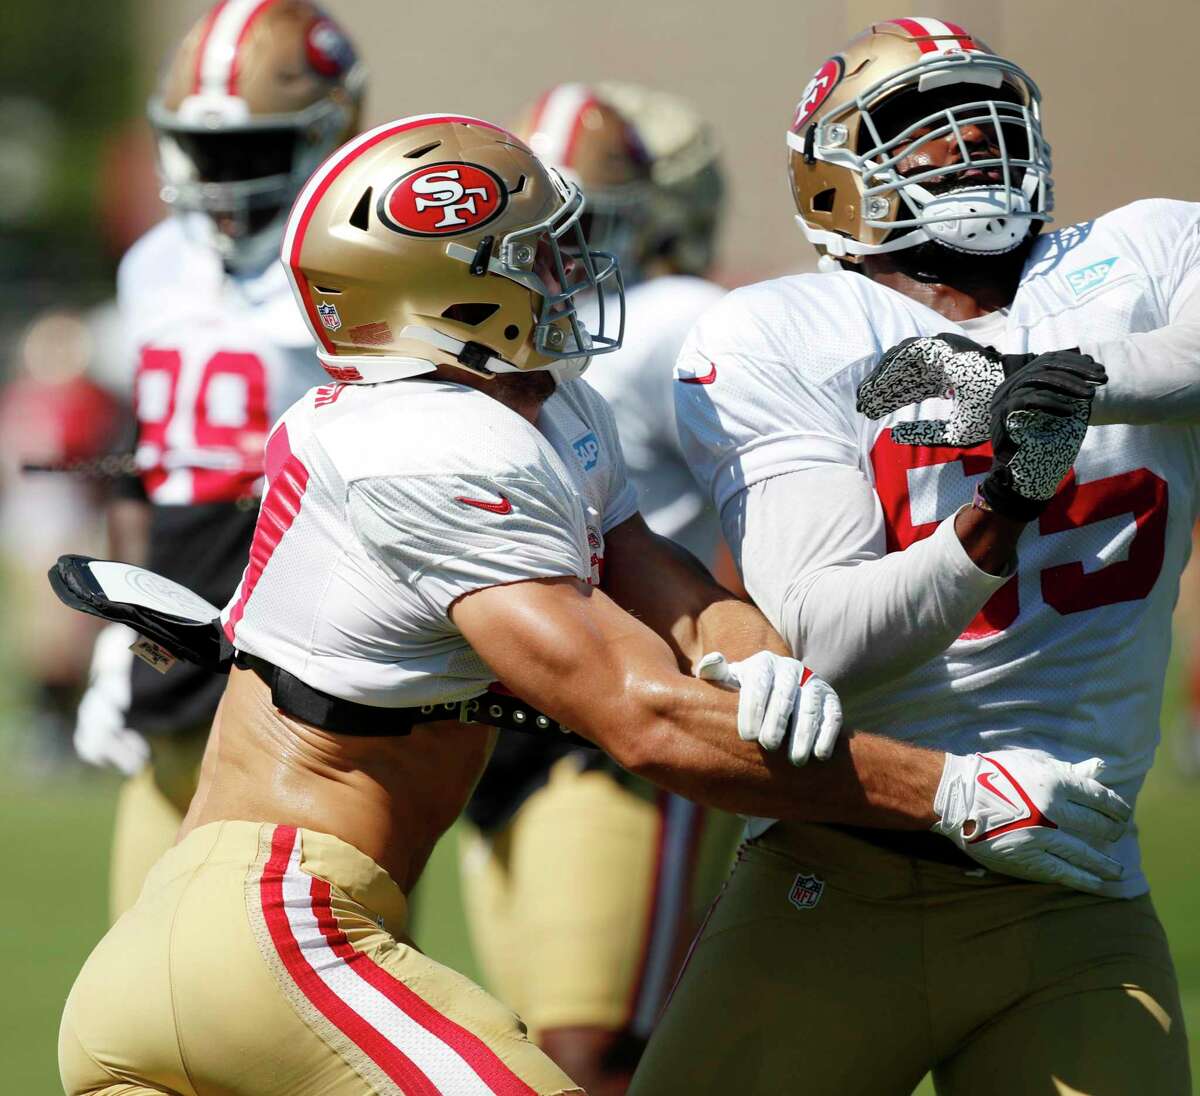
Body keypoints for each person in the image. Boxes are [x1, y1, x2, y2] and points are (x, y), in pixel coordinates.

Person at [59, 113, 1128, 1096]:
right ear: (445, 292)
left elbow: (657, 578)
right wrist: (950, 790)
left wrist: (762, 659)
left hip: (215, 929)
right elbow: (645, 717)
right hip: (278, 930)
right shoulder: (437, 445)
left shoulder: (529, 409)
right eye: (536, 256)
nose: (574, 273)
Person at [643, 16, 1195, 1094]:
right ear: (835, 175)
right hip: (842, 880)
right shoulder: (780, 330)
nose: (971, 140)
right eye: (920, 123)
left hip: (1078, 879)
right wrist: (1002, 505)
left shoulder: (1144, 252)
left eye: (986, 112)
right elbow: (827, 637)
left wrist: (1040, 377)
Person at [455, 84, 738, 1093]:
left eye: (591, 229)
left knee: (594, 1052)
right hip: (494, 718)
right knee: (533, 1056)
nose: (563, 260)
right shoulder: (474, 338)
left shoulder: (669, 318)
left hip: (621, 713)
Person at [71, 0, 364, 918]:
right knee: (131, 989)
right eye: (205, 150)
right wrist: (118, 624)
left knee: (281, 968)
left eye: (251, 152)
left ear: (327, 133)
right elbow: (143, 460)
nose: (221, 180)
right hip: (177, 623)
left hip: (299, 646)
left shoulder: (357, 263)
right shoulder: (156, 264)